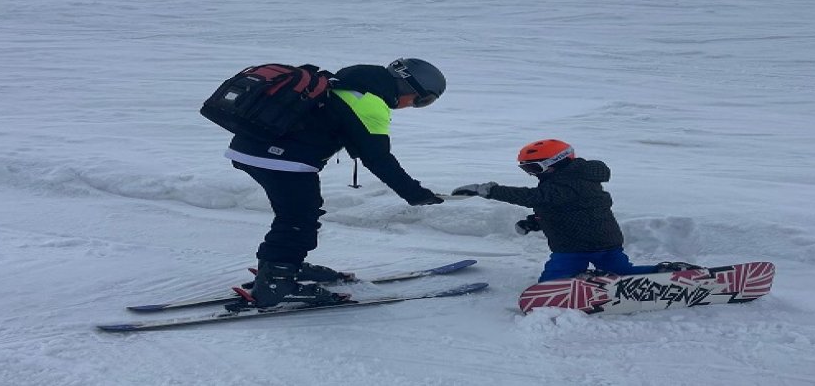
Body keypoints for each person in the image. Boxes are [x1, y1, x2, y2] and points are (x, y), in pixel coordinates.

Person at [225, 58, 446, 308]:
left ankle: (280, 266)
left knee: (293, 213)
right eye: (422, 100)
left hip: (251, 148)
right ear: (408, 87)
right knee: (300, 218)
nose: (413, 106)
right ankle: (277, 281)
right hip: (281, 159)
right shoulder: (368, 103)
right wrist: (415, 193)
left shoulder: (346, 83)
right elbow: (378, 159)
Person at [452, 139, 700, 282]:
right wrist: (534, 222)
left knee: (550, 286)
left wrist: (489, 190)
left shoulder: (573, 182)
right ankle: (589, 279)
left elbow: (535, 197)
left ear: (555, 164)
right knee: (617, 272)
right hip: (585, 241)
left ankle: (669, 273)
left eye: (534, 169)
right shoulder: (562, 184)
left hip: (582, 245)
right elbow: (561, 209)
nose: (531, 175)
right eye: (526, 170)